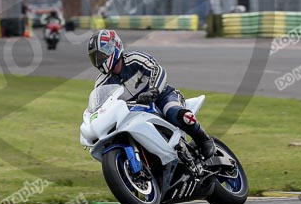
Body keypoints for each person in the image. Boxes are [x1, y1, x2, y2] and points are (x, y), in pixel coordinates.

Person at [87, 29, 216, 157]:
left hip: (162, 97)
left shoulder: (135, 59)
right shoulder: (101, 82)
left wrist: (153, 91)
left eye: (100, 56)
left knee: (176, 114)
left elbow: (158, 70)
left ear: (113, 48)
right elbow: (101, 106)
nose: (98, 61)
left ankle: (203, 139)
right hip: (133, 113)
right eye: (95, 58)